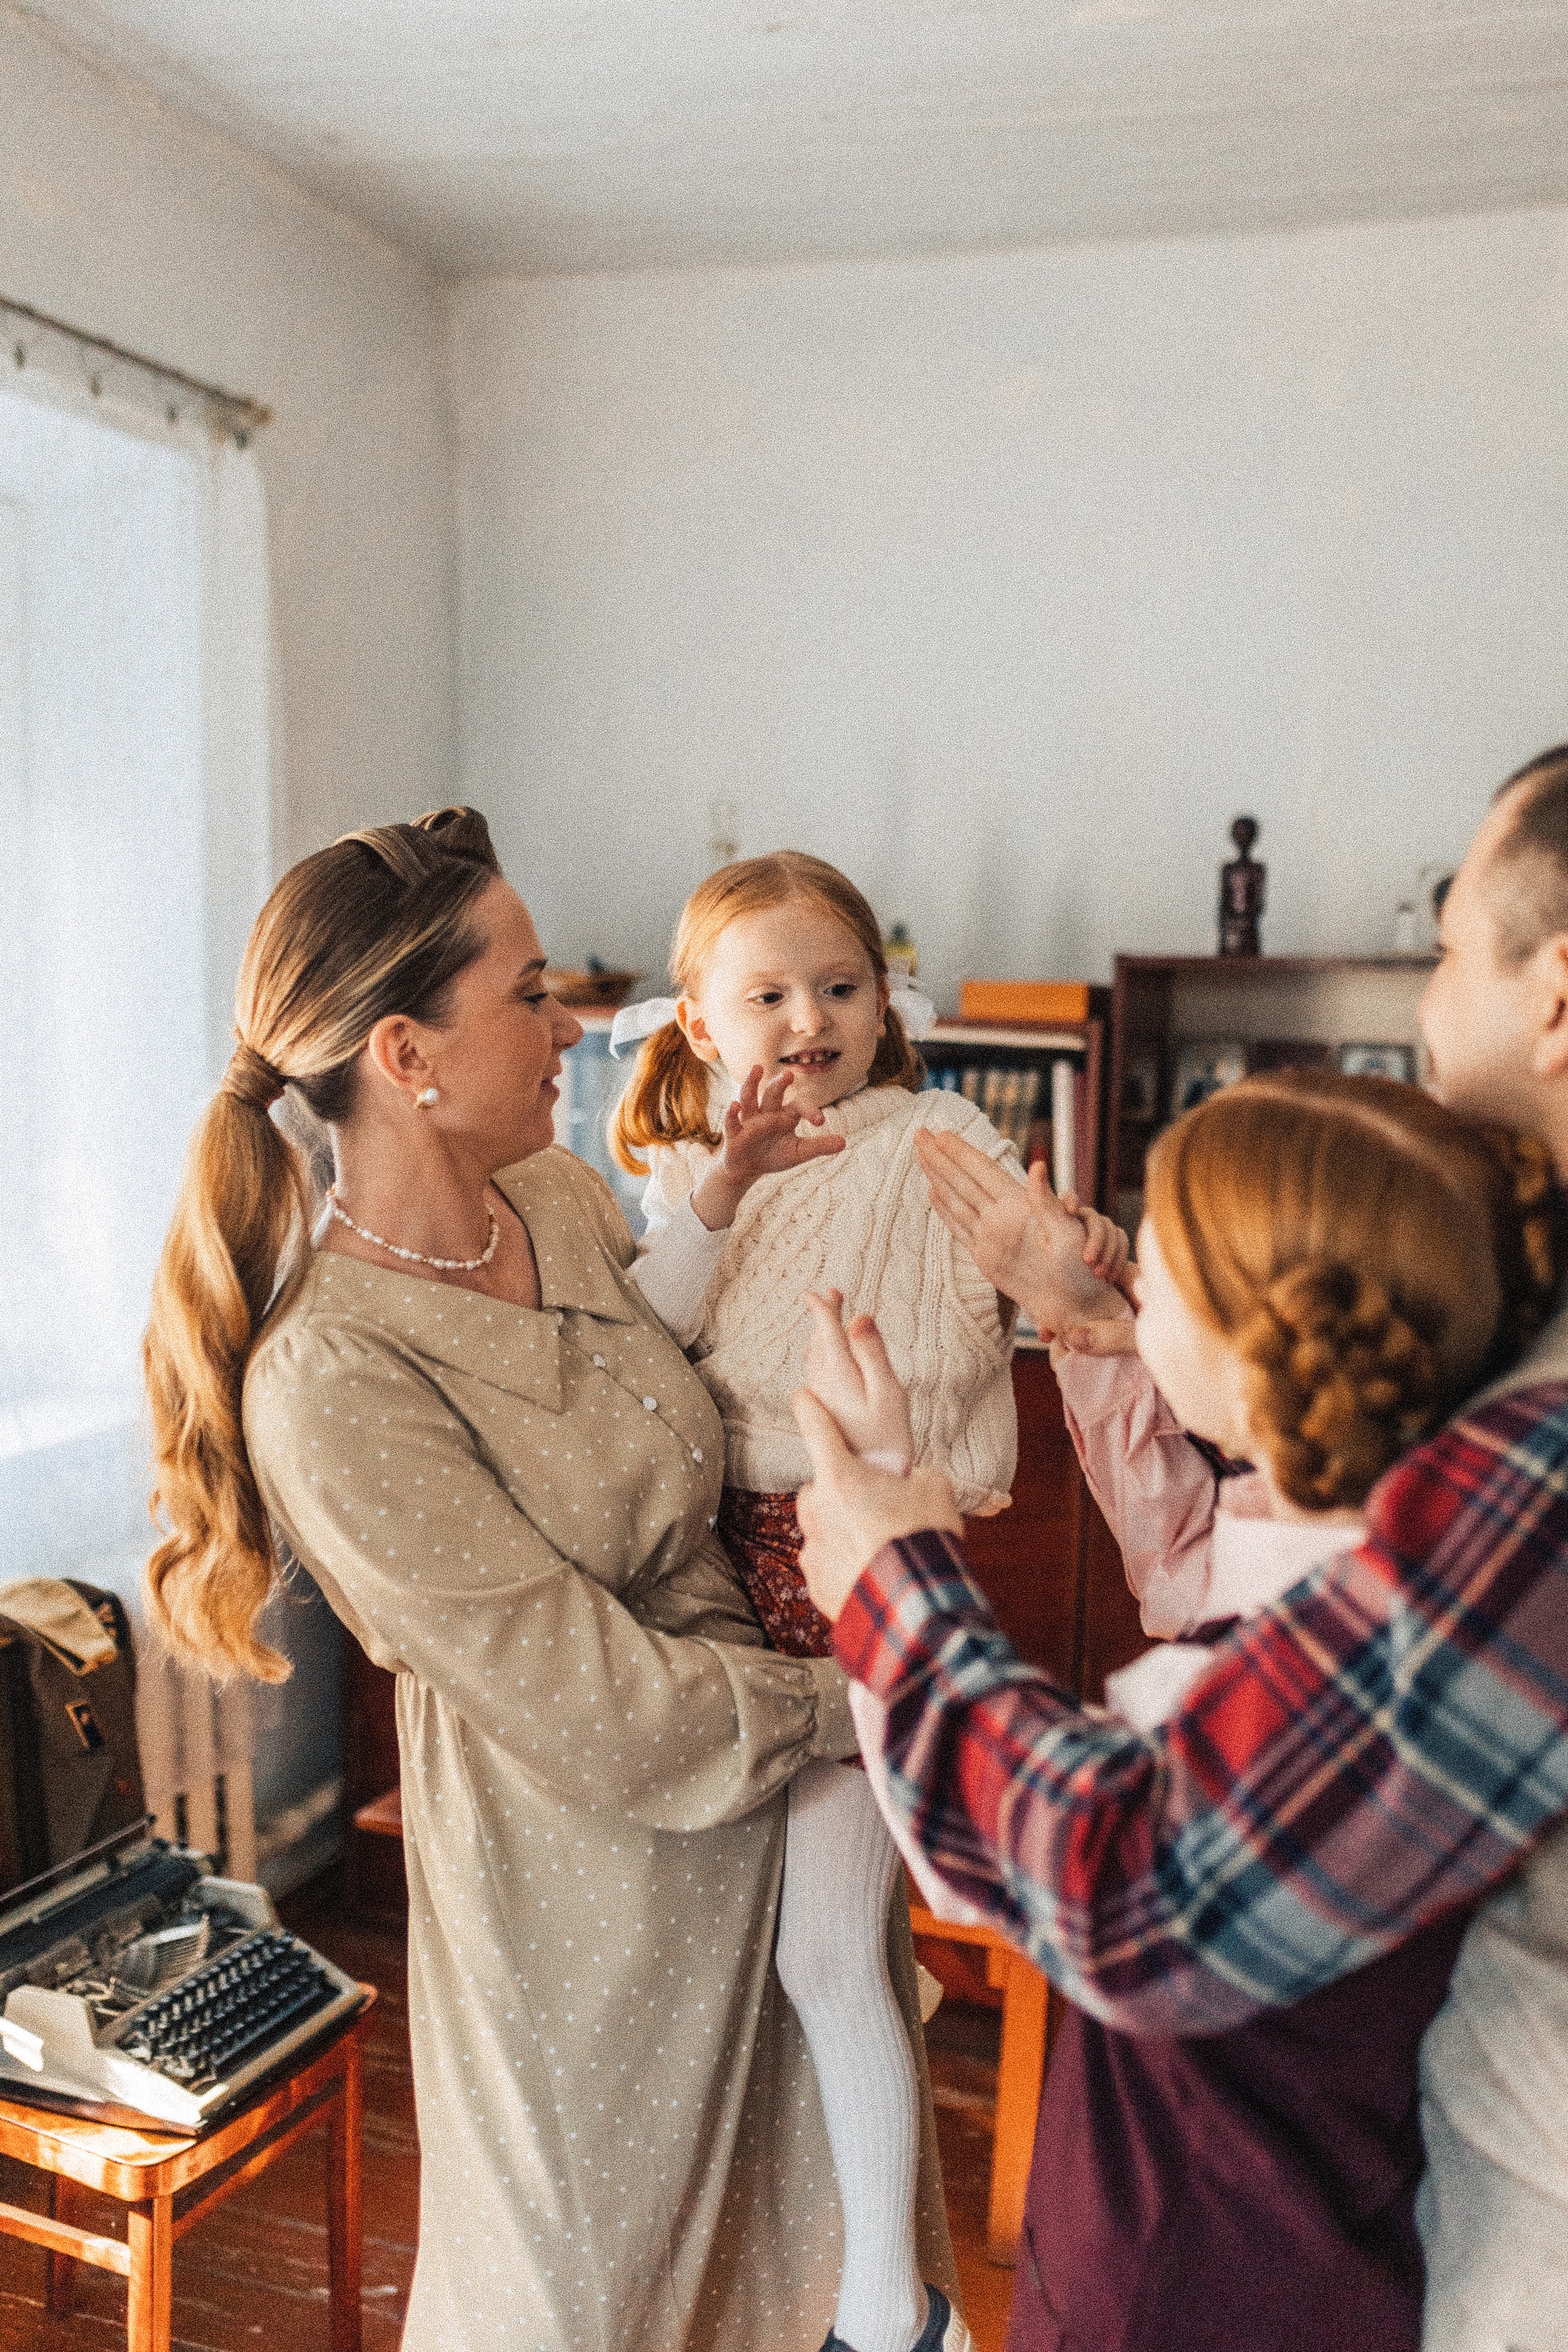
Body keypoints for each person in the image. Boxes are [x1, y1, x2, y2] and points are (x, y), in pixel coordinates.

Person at [140, 807, 956, 2352]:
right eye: (525, 993)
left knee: (832, 2269)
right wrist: (880, 1688)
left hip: (779, 1833)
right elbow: (601, 1706)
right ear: (405, 1054)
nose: (569, 1021)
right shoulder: (334, 1376)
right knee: (595, 2297)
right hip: (591, 1905)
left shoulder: (571, 1207)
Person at [786, 748, 1568, 2352]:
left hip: (1272, 2250)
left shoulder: (1532, 1457)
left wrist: (891, 1579)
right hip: (1369, 2215)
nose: (1426, 1003)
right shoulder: (1462, 1384)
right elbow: (1220, 1561)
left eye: (1447, 944)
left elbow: (1116, 1878)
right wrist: (1100, 1335)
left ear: (1558, 992)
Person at [608, 850, 1034, 2352]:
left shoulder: (937, 1131)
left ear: (884, 1001)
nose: (810, 1021)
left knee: (843, 1945)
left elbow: (1026, 1280)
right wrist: (717, 1192)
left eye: (840, 987)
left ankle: (892, 2309)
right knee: (791, 1947)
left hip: (868, 1549)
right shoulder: (684, 1172)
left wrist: (1055, 1267)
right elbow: (644, 1335)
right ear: (699, 1024)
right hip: (722, 1570)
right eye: (770, 994)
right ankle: (869, 2291)